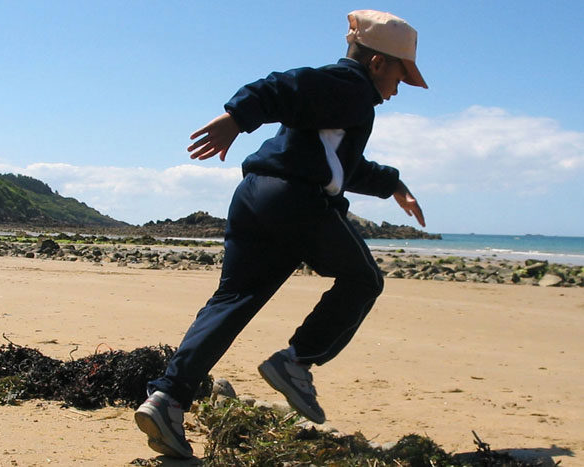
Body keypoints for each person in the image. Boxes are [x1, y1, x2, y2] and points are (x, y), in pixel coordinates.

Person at [135, 9, 428, 458]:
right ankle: (295, 363)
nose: (396, 91)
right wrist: (237, 116)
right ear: (376, 64)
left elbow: (346, 165)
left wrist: (393, 186)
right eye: (399, 77)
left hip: (255, 196)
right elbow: (286, 85)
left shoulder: (341, 104)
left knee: (233, 300)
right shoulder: (350, 87)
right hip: (296, 200)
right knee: (364, 279)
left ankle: (167, 400)